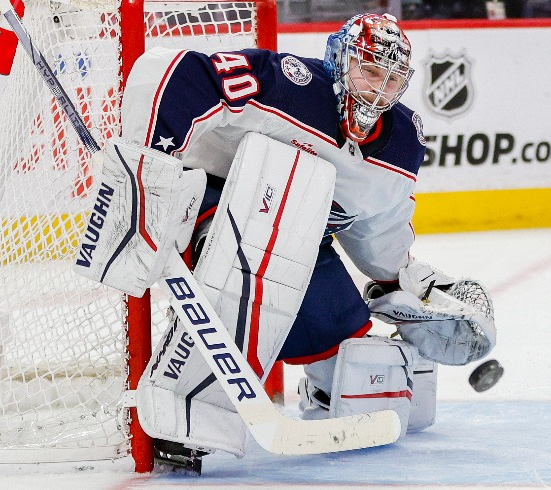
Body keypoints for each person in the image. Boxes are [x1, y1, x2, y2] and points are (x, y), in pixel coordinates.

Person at [96, 12, 496, 472]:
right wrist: (146, 172)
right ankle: (185, 404)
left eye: (391, 80)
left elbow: (377, 231)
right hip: (211, 211)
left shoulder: (402, 141)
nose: (377, 89)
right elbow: (173, 73)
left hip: (299, 243)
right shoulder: (291, 85)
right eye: (369, 70)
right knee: (267, 239)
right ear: (340, 61)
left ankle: (317, 394)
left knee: (363, 378)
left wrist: (409, 288)